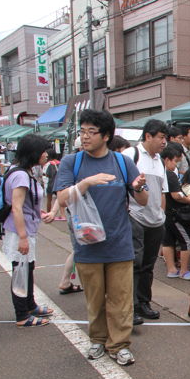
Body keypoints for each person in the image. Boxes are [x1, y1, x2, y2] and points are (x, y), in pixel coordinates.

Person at [55, 109, 148, 365]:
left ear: (106, 135)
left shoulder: (122, 162)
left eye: (91, 132)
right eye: (82, 131)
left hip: (119, 243)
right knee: (94, 300)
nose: (85, 137)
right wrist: (86, 183)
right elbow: (62, 198)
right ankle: (97, 340)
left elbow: (142, 199)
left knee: (121, 300)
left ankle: (119, 345)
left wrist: (140, 186)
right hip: (87, 244)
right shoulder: (71, 163)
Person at [3, 134, 53, 327]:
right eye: (43, 151)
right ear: (33, 153)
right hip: (19, 232)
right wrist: (23, 237)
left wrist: (39, 214)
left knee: (28, 268)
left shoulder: (21, 171)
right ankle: (22, 314)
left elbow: (24, 206)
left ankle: (30, 305)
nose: (46, 155)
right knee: (21, 271)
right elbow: (16, 208)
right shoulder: (21, 175)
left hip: (24, 229)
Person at [122, 119, 168, 323]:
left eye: (165, 137)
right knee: (134, 264)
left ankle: (144, 303)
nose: (164, 142)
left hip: (155, 221)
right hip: (135, 217)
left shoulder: (160, 161)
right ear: (148, 136)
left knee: (148, 265)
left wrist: (161, 214)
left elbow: (163, 191)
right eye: (161, 137)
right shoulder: (131, 155)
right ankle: (130, 308)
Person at [160, 146, 190, 280]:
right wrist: (188, 200)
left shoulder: (159, 172)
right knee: (188, 241)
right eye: (175, 161)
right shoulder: (169, 174)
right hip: (176, 215)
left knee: (168, 241)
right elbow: (176, 195)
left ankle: (171, 269)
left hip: (165, 214)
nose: (175, 165)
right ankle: (184, 271)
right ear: (167, 159)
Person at [41, 198, 84, 294]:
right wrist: (53, 212)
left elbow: (61, 195)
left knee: (78, 249)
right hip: (81, 217)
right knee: (82, 249)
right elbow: (61, 195)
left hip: (75, 215)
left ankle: (65, 280)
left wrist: (53, 212)